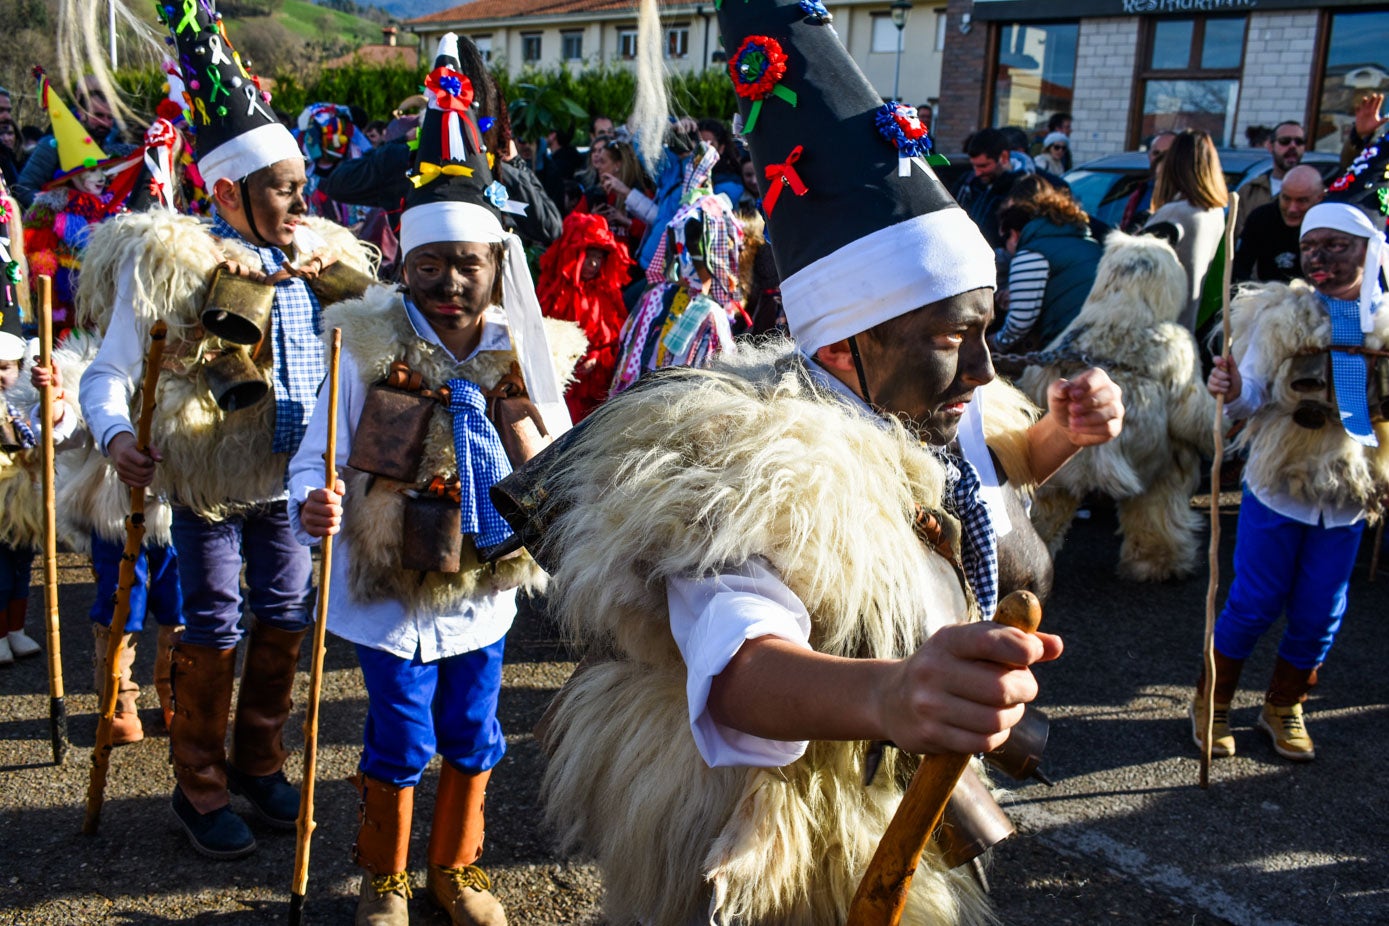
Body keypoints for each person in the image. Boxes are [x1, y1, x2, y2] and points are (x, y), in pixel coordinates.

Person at [525, 1, 1123, 922]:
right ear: (846, 342)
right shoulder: (746, 457)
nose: (984, 367)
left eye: (984, 330)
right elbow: (735, 657)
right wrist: (889, 694)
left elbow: (984, 483)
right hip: (785, 835)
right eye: (951, 336)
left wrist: (1057, 438)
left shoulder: (926, 404)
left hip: (897, 799)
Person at [291, 35, 584, 925]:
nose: (449, 283)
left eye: (468, 266)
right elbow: (318, 448)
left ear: (496, 265)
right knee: (399, 733)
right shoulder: (363, 341)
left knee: (472, 731)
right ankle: (384, 875)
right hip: (388, 592)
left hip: (482, 591)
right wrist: (317, 501)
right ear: (403, 264)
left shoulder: (524, 354)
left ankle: (456, 869)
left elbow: (559, 462)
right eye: (429, 267)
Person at [75, 0, 376, 859]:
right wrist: (115, 437)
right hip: (206, 480)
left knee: (286, 606)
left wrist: (337, 278)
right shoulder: (170, 260)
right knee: (212, 617)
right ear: (226, 191)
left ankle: (258, 760)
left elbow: (383, 331)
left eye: (299, 185)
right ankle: (198, 787)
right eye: (283, 188)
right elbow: (109, 374)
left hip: (291, 479)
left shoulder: (320, 256)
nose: (299, 199)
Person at [1197, 199, 1389, 763]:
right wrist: (1229, 391)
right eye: (1311, 246)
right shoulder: (1283, 316)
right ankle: (1212, 702)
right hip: (1279, 483)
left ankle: (1283, 705)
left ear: (1365, 248)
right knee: (1255, 601)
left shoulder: (1385, 318)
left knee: (1320, 609)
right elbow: (1248, 397)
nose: (1320, 256)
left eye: (1336, 245)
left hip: (1349, 492)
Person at [537, 211, 632, 421]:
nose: (594, 264)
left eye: (599, 257)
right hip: (560, 386)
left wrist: (597, 359)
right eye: (589, 256)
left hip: (595, 388)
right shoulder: (553, 292)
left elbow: (618, 341)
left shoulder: (608, 294)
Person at [991, 180, 1102, 353]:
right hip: (1100, 341)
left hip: (1069, 349)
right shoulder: (1089, 243)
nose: (1007, 248)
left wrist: (994, 343)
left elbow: (1019, 322)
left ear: (1013, 234)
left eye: (1005, 240)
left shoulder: (1032, 253)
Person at [1144, 129, 1229, 331]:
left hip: (1158, 330)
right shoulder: (1214, 212)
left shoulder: (1176, 213)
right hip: (1189, 328)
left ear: (1173, 165)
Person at [15, 79, 127, 210]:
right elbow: (23, 188)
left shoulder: (108, 148)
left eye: (110, 117)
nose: (105, 123)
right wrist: (55, 207)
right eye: (98, 115)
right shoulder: (52, 145)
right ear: (80, 113)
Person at [1232, 164, 1324, 284]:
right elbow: (1239, 269)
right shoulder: (1261, 218)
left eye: (1302, 201)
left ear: (1320, 198)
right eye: (1286, 198)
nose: (1292, 209)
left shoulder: (1329, 226)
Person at [1234, 119, 1305, 237]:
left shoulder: (1312, 193)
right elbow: (1233, 237)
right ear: (1270, 146)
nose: (1293, 146)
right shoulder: (1250, 191)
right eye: (1285, 141)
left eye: (1299, 142)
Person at [1120, 131, 1175, 233]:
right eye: (1156, 153)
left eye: (1167, 154)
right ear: (1149, 155)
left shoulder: (1181, 197)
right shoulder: (1139, 188)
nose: (1160, 159)